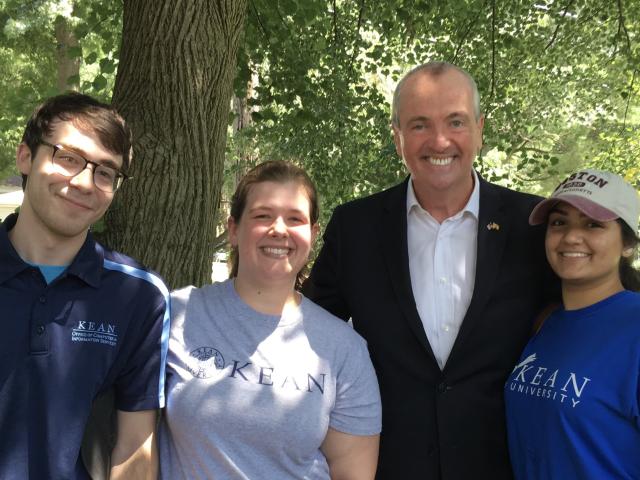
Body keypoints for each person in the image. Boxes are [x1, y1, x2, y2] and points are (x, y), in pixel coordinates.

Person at [303, 61, 556, 479]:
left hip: (504, 464)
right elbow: (308, 330)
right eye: (419, 125)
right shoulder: (356, 227)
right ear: (396, 136)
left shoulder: (531, 223)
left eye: (455, 121)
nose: (439, 141)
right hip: (387, 463)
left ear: (479, 127)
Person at [159, 160, 382, 479]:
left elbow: (352, 471)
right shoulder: (178, 315)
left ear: (313, 233)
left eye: (295, 219)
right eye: (263, 216)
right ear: (234, 229)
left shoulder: (344, 350)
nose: (279, 229)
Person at [0, 92, 169, 479]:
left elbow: (134, 447)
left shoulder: (138, 297)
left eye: (105, 172)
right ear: (25, 156)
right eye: (69, 158)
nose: (84, 182)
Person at [505, 169, 640, 479]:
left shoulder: (634, 327)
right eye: (559, 223)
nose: (570, 237)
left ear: (628, 244)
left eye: (593, 224)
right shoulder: (546, 323)